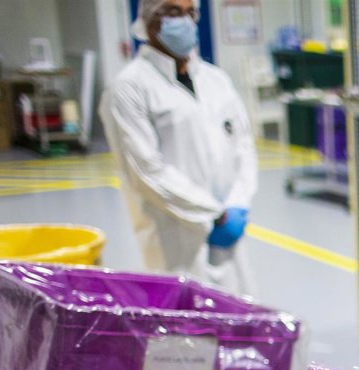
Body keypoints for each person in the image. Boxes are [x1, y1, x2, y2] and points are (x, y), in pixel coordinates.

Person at [100, 0, 258, 295]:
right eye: (173, 12)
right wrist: (213, 213)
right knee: (185, 316)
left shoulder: (216, 80)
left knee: (240, 310)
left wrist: (238, 204)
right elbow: (146, 172)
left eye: (190, 12)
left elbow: (243, 147)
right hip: (176, 235)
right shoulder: (129, 88)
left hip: (230, 226)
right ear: (148, 20)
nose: (184, 22)